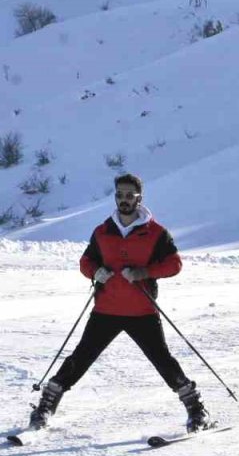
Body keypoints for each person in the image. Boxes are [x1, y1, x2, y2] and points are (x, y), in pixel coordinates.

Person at [25, 173, 211, 434]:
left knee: (163, 361)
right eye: (120, 195)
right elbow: (85, 262)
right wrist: (95, 272)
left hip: (141, 310)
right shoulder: (102, 232)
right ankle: (45, 407)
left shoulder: (156, 233)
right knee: (81, 358)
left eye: (129, 195)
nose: (124, 200)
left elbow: (174, 264)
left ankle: (196, 410)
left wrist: (143, 273)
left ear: (139, 198)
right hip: (106, 310)